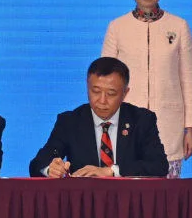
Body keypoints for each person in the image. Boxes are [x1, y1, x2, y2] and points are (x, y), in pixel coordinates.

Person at [101, 0, 192, 178]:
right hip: (125, 124)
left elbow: (190, 80)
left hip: (168, 124)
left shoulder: (179, 26)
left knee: (165, 198)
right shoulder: (117, 27)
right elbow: (104, 80)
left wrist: (190, 129)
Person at [29, 57, 168, 178]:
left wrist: (111, 171)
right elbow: (38, 164)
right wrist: (50, 169)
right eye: (95, 91)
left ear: (125, 93)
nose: (102, 100)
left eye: (111, 93)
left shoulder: (141, 120)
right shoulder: (70, 121)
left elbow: (158, 165)